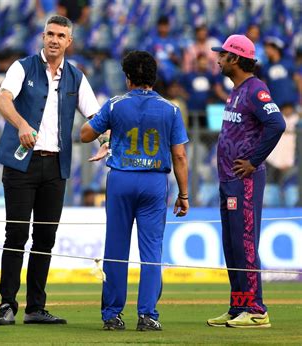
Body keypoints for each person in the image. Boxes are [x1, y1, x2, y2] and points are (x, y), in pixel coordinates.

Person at [0, 15, 103, 326]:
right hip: (21, 164)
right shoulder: (21, 67)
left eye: (61, 36)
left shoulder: (76, 77)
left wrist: (106, 138)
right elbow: (2, 100)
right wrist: (22, 124)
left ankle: (35, 308)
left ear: (69, 42)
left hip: (55, 165)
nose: (54, 40)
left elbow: (96, 114)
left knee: (45, 239)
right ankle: (6, 304)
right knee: (15, 235)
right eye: (50, 34)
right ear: (42, 37)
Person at [80, 50, 190, 331]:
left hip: (121, 180)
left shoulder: (115, 105)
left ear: (127, 78)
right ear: (153, 78)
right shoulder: (171, 109)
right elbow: (179, 156)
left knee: (116, 248)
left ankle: (112, 316)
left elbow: (84, 134)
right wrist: (184, 194)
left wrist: (108, 135)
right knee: (151, 250)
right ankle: (148, 315)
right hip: (154, 183)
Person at [207, 35, 286, 328]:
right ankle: (239, 305)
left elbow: (277, 124)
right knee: (232, 245)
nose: (218, 59)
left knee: (245, 245)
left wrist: (253, 161)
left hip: (245, 182)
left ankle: (256, 309)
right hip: (229, 180)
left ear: (236, 59)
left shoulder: (255, 90)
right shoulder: (236, 90)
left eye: (223, 55)